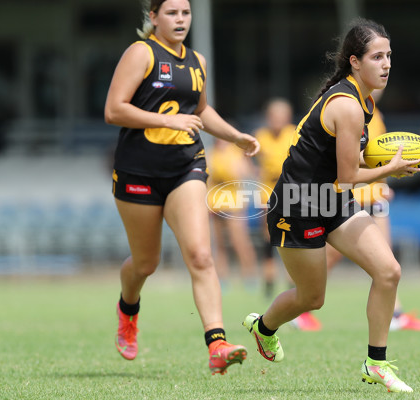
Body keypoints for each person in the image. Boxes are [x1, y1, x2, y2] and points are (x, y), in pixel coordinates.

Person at [242, 19, 420, 393]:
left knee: (388, 271)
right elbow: (346, 175)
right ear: (355, 62)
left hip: (332, 200)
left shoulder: (364, 100)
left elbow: (343, 175)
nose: (386, 63)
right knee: (312, 298)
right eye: (377, 57)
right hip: (297, 204)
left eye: (389, 56)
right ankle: (264, 327)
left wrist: (382, 166)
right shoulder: (348, 106)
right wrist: (392, 169)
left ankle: (376, 363)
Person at [104, 0, 259, 375]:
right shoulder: (141, 53)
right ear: (153, 17)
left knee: (201, 255)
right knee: (146, 263)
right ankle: (128, 309)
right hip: (138, 172)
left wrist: (234, 136)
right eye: (171, 13)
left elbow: (201, 111)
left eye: (185, 13)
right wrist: (166, 121)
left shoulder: (197, 62)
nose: (180, 20)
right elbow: (114, 110)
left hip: (185, 167)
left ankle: (217, 344)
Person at [323, 89, 420, 332]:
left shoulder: (376, 114)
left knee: (386, 258)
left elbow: (378, 158)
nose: (381, 86)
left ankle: (395, 313)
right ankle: (299, 301)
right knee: (329, 257)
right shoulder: (350, 111)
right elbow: (351, 162)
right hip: (354, 195)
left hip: (375, 196)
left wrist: (383, 184)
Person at [253, 98, 297, 299]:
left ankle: (292, 280)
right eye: (273, 116)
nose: (277, 120)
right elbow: (247, 159)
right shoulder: (261, 136)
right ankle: (269, 281)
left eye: (281, 116)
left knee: (292, 235)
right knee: (269, 237)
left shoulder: (294, 134)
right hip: (268, 190)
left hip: (291, 189)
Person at [207, 138, 259, 291]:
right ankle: (222, 279)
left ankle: (250, 276)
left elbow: (247, 173)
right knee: (219, 244)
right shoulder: (211, 153)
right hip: (214, 204)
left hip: (233, 204)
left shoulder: (236, 154)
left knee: (240, 242)